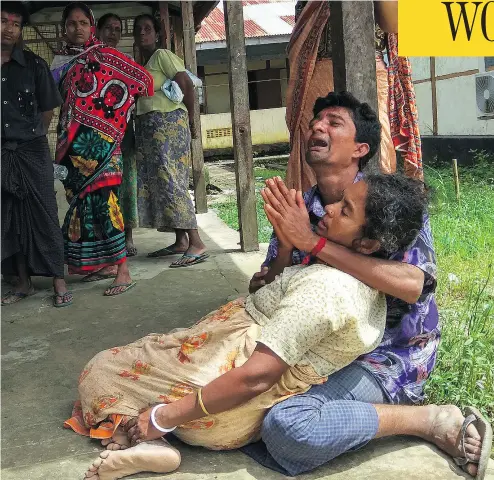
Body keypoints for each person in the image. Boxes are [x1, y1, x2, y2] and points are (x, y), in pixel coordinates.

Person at [67, 171, 430, 480]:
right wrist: (288, 248)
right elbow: (274, 293)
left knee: (101, 368)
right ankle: (152, 435)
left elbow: (256, 376)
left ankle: (156, 433)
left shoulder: (328, 290)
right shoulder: (351, 274)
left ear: (367, 243)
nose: (330, 208)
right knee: (138, 361)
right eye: (339, 199)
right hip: (229, 371)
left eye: (345, 210)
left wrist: (163, 417)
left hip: (230, 381)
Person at [242, 91, 491, 479]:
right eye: (315, 121)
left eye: (333, 122)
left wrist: (314, 244)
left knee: (286, 427)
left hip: (385, 356)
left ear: (361, 148)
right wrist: (285, 250)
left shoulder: (389, 202)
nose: (317, 127)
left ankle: (427, 420)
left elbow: (413, 284)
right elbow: (265, 294)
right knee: (224, 391)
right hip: (315, 349)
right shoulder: (300, 207)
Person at [50, 3, 153, 295]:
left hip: (105, 149)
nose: (78, 28)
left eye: (83, 23)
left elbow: (144, 82)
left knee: (108, 206)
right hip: (73, 150)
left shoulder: (107, 57)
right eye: (72, 23)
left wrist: (115, 114)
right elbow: (54, 102)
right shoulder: (60, 63)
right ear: (64, 28)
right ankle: (102, 264)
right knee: (84, 208)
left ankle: (123, 270)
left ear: (91, 27)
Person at [286, 1, 422, 191]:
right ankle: (317, 216)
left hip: (368, 71)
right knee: (317, 154)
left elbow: (392, 23)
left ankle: (371, 213)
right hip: (318, 72)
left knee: (376, 153)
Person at [1, 2, 72, 307]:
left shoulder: (34, 65)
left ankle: (58, 280)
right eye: (3, 21)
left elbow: (47, 111)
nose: (9, 28)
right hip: (2, 153)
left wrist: (32, 136)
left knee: (44, 213)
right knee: (9, 218)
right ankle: (22, 282)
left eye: (15, 24)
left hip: (32, 150)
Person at [133, 14, 208, 268]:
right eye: (138, 30)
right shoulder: (144, 64)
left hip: (167, 126)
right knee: (161, 183)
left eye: (147, 29)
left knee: (172, 180)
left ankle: (196, 242)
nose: (143, 34)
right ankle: (181, 240)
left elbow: (186, 84)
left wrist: (193, 122)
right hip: (150, 129)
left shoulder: (162, 55)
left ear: (157, 34)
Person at [96, 12, 139, 258]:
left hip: (124, 131)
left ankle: (128, 236)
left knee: (127, 184)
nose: (113, 34)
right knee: (103, 186)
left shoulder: (126, 61)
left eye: (117, 29)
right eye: (109, 29)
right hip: (98, 133)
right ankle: (106, 239)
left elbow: (136, 94)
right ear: (98, 31)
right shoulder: (91, 58)